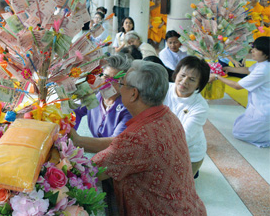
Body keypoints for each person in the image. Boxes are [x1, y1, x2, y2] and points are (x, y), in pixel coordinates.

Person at [70, 61, 206, 215]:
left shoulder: (138, 137)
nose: (119, 88)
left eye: (121, 83)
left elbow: (87, 172)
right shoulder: (167, 115)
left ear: (134, 94)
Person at [209, 36, 270, 147]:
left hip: (264, 110)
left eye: (256, 49)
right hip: (258, 106)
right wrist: (229, 68)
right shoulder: (263, 63)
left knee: (239, 133)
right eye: (253, 48)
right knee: (238, 125)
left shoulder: (264, 69)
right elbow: (247, 70)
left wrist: (217, 77)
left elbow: (237, 86)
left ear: (266, 54)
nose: (252, 51)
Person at [164, 56, 210, 176]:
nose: (184, 82)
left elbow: (182, 138)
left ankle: (193, 170)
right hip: (163, 144)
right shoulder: (164, 89)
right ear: (176, 73)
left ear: (199, 85)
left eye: (192, 79)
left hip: (189, 152)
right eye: (183, 75)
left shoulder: (200, 107)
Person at [73, 55, 132, 138]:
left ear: (124, 83)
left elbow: (114, 142)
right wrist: (70, 130)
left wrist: (77, 140)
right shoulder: (95, 96)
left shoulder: (128, 109)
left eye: (114, 80)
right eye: (106, 77)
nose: (107, 83)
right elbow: (76, 110)